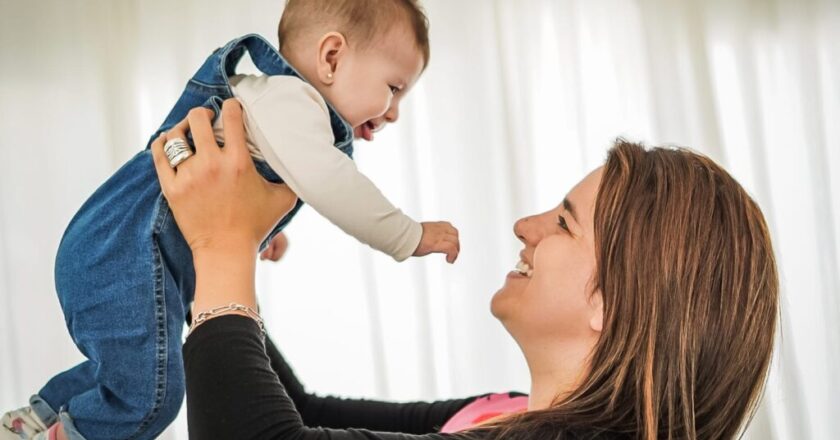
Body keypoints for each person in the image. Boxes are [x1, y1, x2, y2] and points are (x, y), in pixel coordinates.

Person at [157, 100, 779, 439]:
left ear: (614, 300)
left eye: (563, 223)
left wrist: (220, 246)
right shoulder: (503, 412)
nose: (526, 226)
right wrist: (211, 259)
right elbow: (306, 415)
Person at [0, 1, 462, 439]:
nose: (394, 112)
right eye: (394, 89)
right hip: (125, 250)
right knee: (151, 399)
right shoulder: (293, 100)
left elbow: (233, 186)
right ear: (332, 56)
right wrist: (409, 235)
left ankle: (33, 420)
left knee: (141, 368)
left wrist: (259, 234)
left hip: (114, 244)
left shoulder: (274, 108)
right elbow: (334, 185)